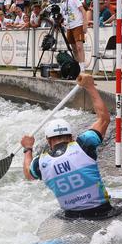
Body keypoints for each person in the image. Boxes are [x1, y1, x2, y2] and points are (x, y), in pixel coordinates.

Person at [21, 74, 111, 218]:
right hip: (102, 211)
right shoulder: (84, 144)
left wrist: (28, 148)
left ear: (48, 141)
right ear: (71, 137)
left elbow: (28, 173)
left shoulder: (40, 163)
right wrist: (90, 87)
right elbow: (104, 119)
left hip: (71, 217)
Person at [60, 0, 87, 72]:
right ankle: (77, 66)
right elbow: (63, 15)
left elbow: (83, 10)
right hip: (69, 26)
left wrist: (85, 24)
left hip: (77, 24)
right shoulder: (63, 3)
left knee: (79, 47)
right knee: (73, 48)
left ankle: (82, 68)